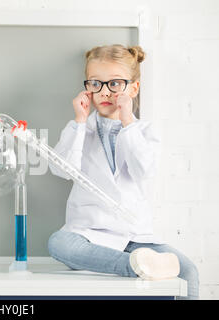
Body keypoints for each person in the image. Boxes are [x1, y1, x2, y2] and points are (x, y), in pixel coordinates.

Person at [48, 44, 199, 300]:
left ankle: (141, 262)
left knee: (188, 270)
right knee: (58, 244)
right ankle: (133, 267)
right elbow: (61, 169)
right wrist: (80, 121)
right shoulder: (79, 128)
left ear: (133, 89)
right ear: (87, 88)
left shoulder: (144, 132)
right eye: (96, 83)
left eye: (115, 84)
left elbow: (144, 171)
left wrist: (128, 122)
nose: (105, 92)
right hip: (88, 234)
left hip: (135, 237)